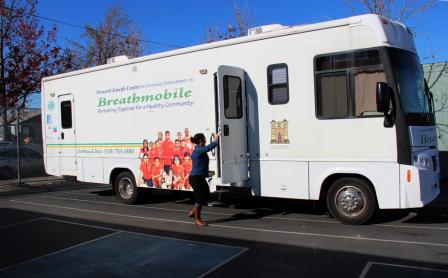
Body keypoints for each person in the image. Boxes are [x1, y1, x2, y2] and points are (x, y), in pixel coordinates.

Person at [188, 132, 219, 226]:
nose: (206, 140)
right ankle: (197, 220)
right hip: (196, 179)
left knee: (206, 196)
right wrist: (216, 137)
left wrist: (207, 173)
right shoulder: (198, 150)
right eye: (204, 139)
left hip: (200, 177)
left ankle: (194, 211)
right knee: (200, 199)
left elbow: (200, 164)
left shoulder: (198, 150)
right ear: (201, 140)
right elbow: (212, 145)